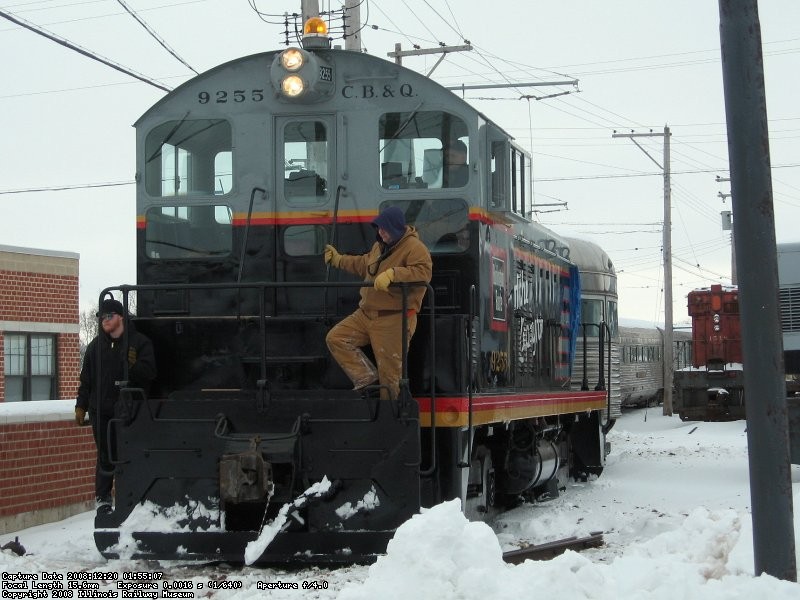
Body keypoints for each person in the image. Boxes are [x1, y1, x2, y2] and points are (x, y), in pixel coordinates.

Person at [324, 206, 432, 399]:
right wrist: (339, 260)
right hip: (365, 314)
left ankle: (392, 421)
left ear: (396, 228)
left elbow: (423, 273)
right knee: (336, 338)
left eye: (384, 228)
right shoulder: (379, 246)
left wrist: (394, 274)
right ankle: (366, 379)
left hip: (394, 319)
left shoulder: (416, 249)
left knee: (390, 379)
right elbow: (365, 263)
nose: (380, 232)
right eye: (378, 228)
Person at [74, 298, 156, 514]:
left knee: (129, 454)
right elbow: (86, 381)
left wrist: (133, 366)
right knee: (104, 454)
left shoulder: (139, 343)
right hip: (101, 410)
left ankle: (131, 499)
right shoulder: (94, 347)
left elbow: (150, 374)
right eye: (101, 317)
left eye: (108, 316)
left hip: (129, 410)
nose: (104, 320)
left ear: (120, 316)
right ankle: (102, 498)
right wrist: (81, 405)